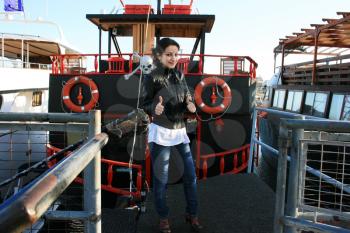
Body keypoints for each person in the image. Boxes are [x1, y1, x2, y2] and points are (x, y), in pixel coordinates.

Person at [141, 37, 203, 233]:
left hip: (179, 132)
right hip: (160, 133)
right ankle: (163, 218)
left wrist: (190, 103)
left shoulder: (179, 74)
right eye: (169, 54)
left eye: (176, 54)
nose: (173, 58)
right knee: (161, 180)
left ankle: (192, 214)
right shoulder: (151, 76)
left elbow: (186, 95)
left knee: (191, 177)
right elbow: (144, 104)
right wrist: (154, 108)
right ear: (159, 55)